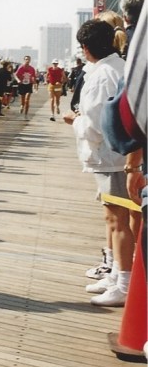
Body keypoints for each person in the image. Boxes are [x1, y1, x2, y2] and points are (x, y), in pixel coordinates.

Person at [63, 20, 134, 307]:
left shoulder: (103, 74)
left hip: (111, 156)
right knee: (117, 218)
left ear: (86, 48)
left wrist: (75, 120)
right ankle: (118, 275)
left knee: (117, 220)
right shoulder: (117, 67)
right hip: (119, 154)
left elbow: (94, 126)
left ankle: (124, 283)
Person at [15, 55, 37, 119]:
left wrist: (35, 84)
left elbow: (33, 77)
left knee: (27, 100)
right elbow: (15, 75)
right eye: (26, 59)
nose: (27, 60)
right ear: (24, 60)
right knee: (23, 101)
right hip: (22, 85)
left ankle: (26, 114)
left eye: (28, 59)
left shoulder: (32, 68)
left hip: (29, 85)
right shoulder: (21, 67)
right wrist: (18, 80)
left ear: (30, 60)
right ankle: (22, 106)